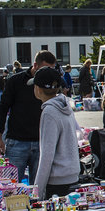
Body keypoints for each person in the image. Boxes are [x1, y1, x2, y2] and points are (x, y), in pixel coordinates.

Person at [0, 50, 58, 183]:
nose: (48, 72)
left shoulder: (52, 82)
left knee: (39, 188)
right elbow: (2, 108)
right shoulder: (15, 81)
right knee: (10, 187)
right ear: (35, 65)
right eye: (45, 68)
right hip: (17, 141)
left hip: (41, 142)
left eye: (51, 69)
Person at [31, 66, 80, 199]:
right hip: (72, 175)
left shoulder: (49, 112)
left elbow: (46, 155)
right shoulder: (65, 105)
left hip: (57, 181)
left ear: (38, 89)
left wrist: (36, 192)